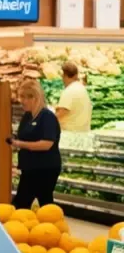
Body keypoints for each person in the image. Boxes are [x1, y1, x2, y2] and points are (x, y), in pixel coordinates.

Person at [11, 79, 62, 209]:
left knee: (22, 203)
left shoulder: (47, 117)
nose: (22, 101)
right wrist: (13, 139)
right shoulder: (27, 116)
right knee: (44, 202)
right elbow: (22, 136)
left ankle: (49, 225)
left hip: (45, 168)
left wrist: (21, 144)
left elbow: (47, 144)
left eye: (26, 97)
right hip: (30, 167)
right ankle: (51, 224)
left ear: (35, 97)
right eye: (21, 96)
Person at [55, 61, 92, 132]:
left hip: (70, 135)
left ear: (64, 76)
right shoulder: (81, 88)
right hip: (83, 133)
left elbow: (61, 113)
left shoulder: (69, 91)